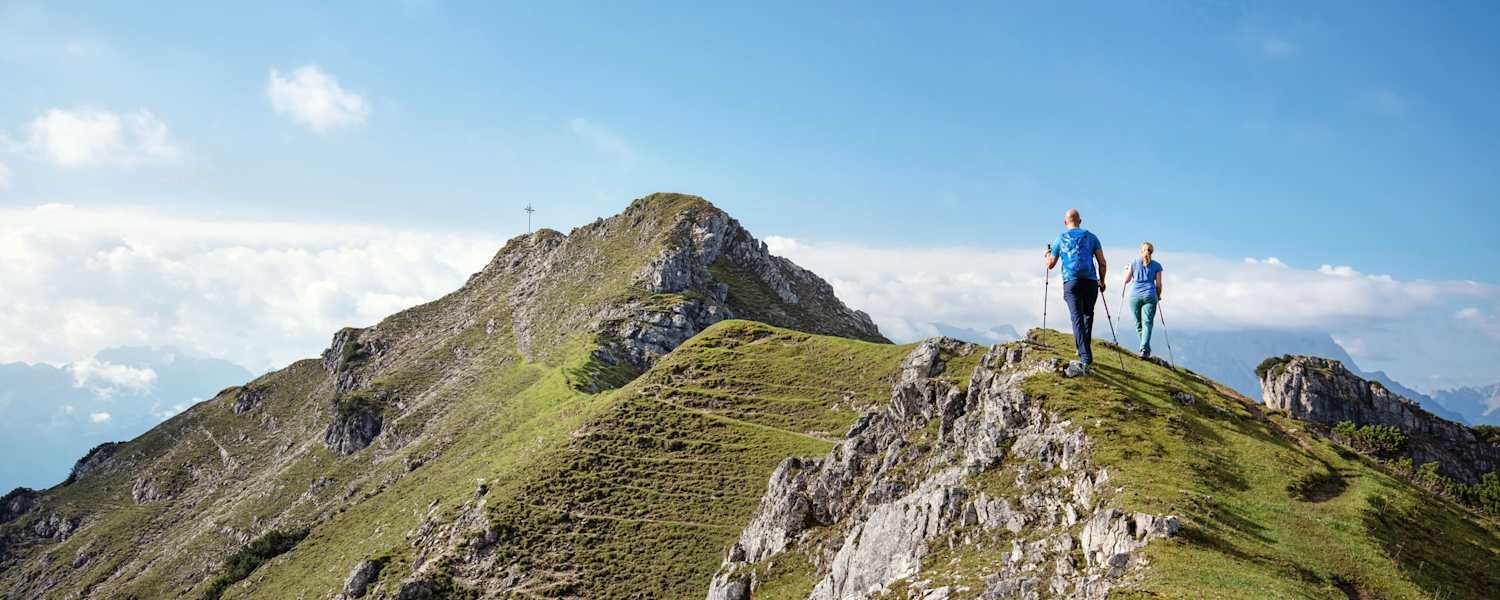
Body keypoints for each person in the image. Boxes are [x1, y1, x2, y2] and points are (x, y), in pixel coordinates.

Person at [1045, 209, 1107, 372]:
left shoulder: (1060, 238)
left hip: (1071, 281)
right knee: (1088, 315)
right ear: (1080, 221)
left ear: (1066, 222)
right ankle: (1083, 350)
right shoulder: (1092, 237)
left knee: (1076, 318)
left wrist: (1047, 254)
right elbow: (1102, 263)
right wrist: (1102, 280)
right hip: (1091, 282)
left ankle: (1085, 356)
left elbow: (1050, 264)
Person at [1122, 242, 1164, 358]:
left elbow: (1126, 280)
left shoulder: (1134, 263)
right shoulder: (1157, 266)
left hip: (1135, 296)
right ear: (1152, 252)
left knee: (1138, 323)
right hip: (1150, 296)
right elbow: (1159, 285)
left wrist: (1126, 269)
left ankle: (1144, 348)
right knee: (1147, 323)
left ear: (1141, 251)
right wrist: (1158, 295)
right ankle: (1145, 349)